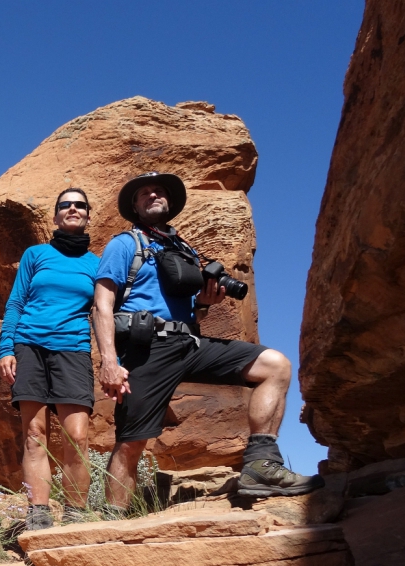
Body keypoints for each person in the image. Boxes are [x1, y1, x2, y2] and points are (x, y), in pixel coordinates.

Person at [92, 172, 323, 515]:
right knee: (131, 442)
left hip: (189, 342)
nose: (153, 195)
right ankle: (110, 523)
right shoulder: (125, 244)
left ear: (169, 201)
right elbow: (102, 304)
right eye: (144, 193)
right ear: (135, 206)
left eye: (159, 191)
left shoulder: (183, 249)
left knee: (275, 365)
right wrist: (109, 361)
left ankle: (261, 464)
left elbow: (192, 315)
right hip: (148, 348)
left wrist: (204, 304)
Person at [0, 187, 101, 531]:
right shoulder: (36, 254)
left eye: (80, 205)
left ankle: (75, 516)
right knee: (34, 433)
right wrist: (6, 348)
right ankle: (38, 515)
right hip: (29, 345)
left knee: (77, 436)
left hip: (73, 348)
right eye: (65, 205)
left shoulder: (97, 264)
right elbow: (15, 303)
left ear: (88, 215)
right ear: (56, 216)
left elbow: (106, 311)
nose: (73, 209)